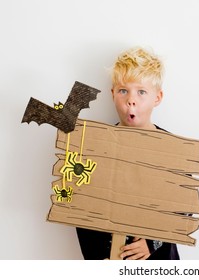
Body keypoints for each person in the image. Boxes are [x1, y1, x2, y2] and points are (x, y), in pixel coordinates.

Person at [76, 47, 180, 260]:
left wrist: (152, 243)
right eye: (123, 90)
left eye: (141, 92)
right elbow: (82, 209)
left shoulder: (173, 150)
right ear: (113, 93)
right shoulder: (97, 149)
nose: (131, 100)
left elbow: (183, 209)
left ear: (157, 97)